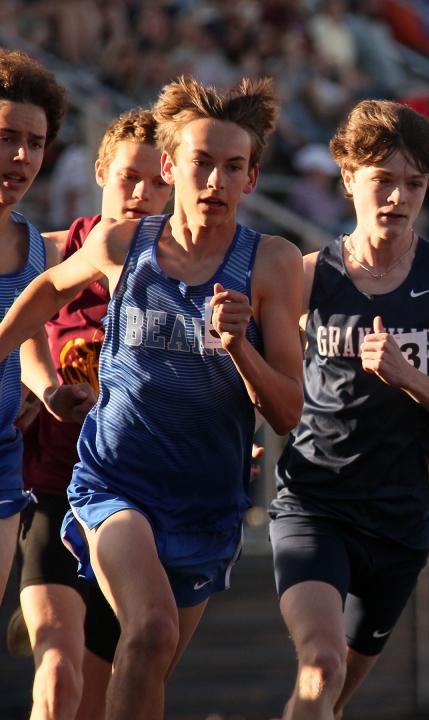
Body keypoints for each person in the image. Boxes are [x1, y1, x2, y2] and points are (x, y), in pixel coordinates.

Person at [0, 75, 304, 720]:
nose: (215, 181)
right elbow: (49, 289)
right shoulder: (120, 244)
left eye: (233, 167)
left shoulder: (272, 264)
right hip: (113, 482)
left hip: (206, 502)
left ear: (251, 180)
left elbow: (287, 410)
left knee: (147, 660)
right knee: (152, 629)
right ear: (172, 166)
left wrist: (241, 347)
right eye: (201, 163)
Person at [268, 99, 429, 720]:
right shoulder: (308, 276)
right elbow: (275, 383)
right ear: (348, 179)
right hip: (314, 499)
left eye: (413, 184)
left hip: (400, 515)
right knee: (320, 664)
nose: (397, 197)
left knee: (332, 695)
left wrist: (409, 376)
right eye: (382, 180)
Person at [12, 108, 172, 720]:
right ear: (101, 171)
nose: (142, 194)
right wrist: (45, 386)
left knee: (103, 698)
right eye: (130, 177)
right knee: (57, 675)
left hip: (138, 501)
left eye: (159, 182)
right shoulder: (54, 250)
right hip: (54, 489)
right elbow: (23, 324)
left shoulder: (180, 274)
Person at [0, 50, 95, 608]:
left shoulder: (35, 244)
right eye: (7, 136)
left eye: (35, 143)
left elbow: (31, 335)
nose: (21, 156)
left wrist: (47, 389)